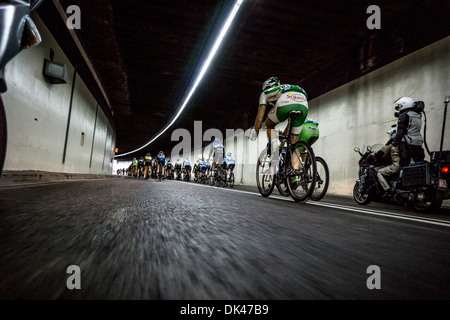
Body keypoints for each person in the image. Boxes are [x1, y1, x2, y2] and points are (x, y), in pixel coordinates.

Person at [251, 76, 309, 185]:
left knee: (269, 124)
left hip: (285, 102)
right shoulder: (287, 87)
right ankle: (292, 174)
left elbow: (259, 118)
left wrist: (256, 131)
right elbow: (289, 123)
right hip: (304, 103)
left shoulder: (265, 93)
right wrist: (283, 140)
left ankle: (274, 143)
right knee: (293, 144)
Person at [391, 97, 425, 168]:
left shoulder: (404, 114)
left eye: (399, 105)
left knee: (404, 164)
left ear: (403, 104)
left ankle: (404, 178)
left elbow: (401, 131)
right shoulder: (417, 114)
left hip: (407, 142)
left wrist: (394, 144)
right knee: (418, 163)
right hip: (418, 141)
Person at [374, 125, 401, 195]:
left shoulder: (393, 143)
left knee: (380, 172)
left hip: (397, 166)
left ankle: (388, 190)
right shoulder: (406, 141)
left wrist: (374, 156)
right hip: (409, 164)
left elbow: (381, 152)